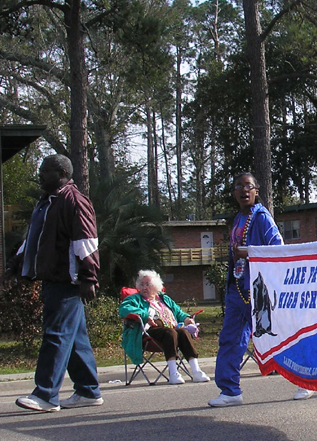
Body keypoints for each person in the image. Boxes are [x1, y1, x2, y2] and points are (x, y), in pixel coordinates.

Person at [5, 154, 103, 412]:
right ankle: (88, 391)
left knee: (56, 335)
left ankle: (46, 395)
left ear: (61, 172)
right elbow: (34, 241)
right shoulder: (47, 203)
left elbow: (86, 241)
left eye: (45, 170)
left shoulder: (73, 201)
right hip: (53, 278)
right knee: (75, 338)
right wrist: (15, 265)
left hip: (66, 281)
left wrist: (88, 277)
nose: (40, 174)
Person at [209, 173, 301, 406]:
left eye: (248, 186)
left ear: (256, 191)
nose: (243, 190)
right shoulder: (238, 219)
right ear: (233, 193)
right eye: (238, 186)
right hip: (237, 289)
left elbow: (278, 249)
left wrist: (249, 251)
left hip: (260, 289)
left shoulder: (262, 218)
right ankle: (230, 391)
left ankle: (304, 379)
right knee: (230, 339)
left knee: (281, 334)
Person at [120, 269, 210, 384]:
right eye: (141, 284)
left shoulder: (163, 298)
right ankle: (173, 373)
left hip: (170, 330)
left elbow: (178, 312)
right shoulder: (134, 299)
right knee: (171, 332)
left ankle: (196, 371)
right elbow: (124, 310)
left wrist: (187, 319)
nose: (144, 287)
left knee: (183, 332)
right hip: (147, 333)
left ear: (156, 286)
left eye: (148, 284)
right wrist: (145, 315)